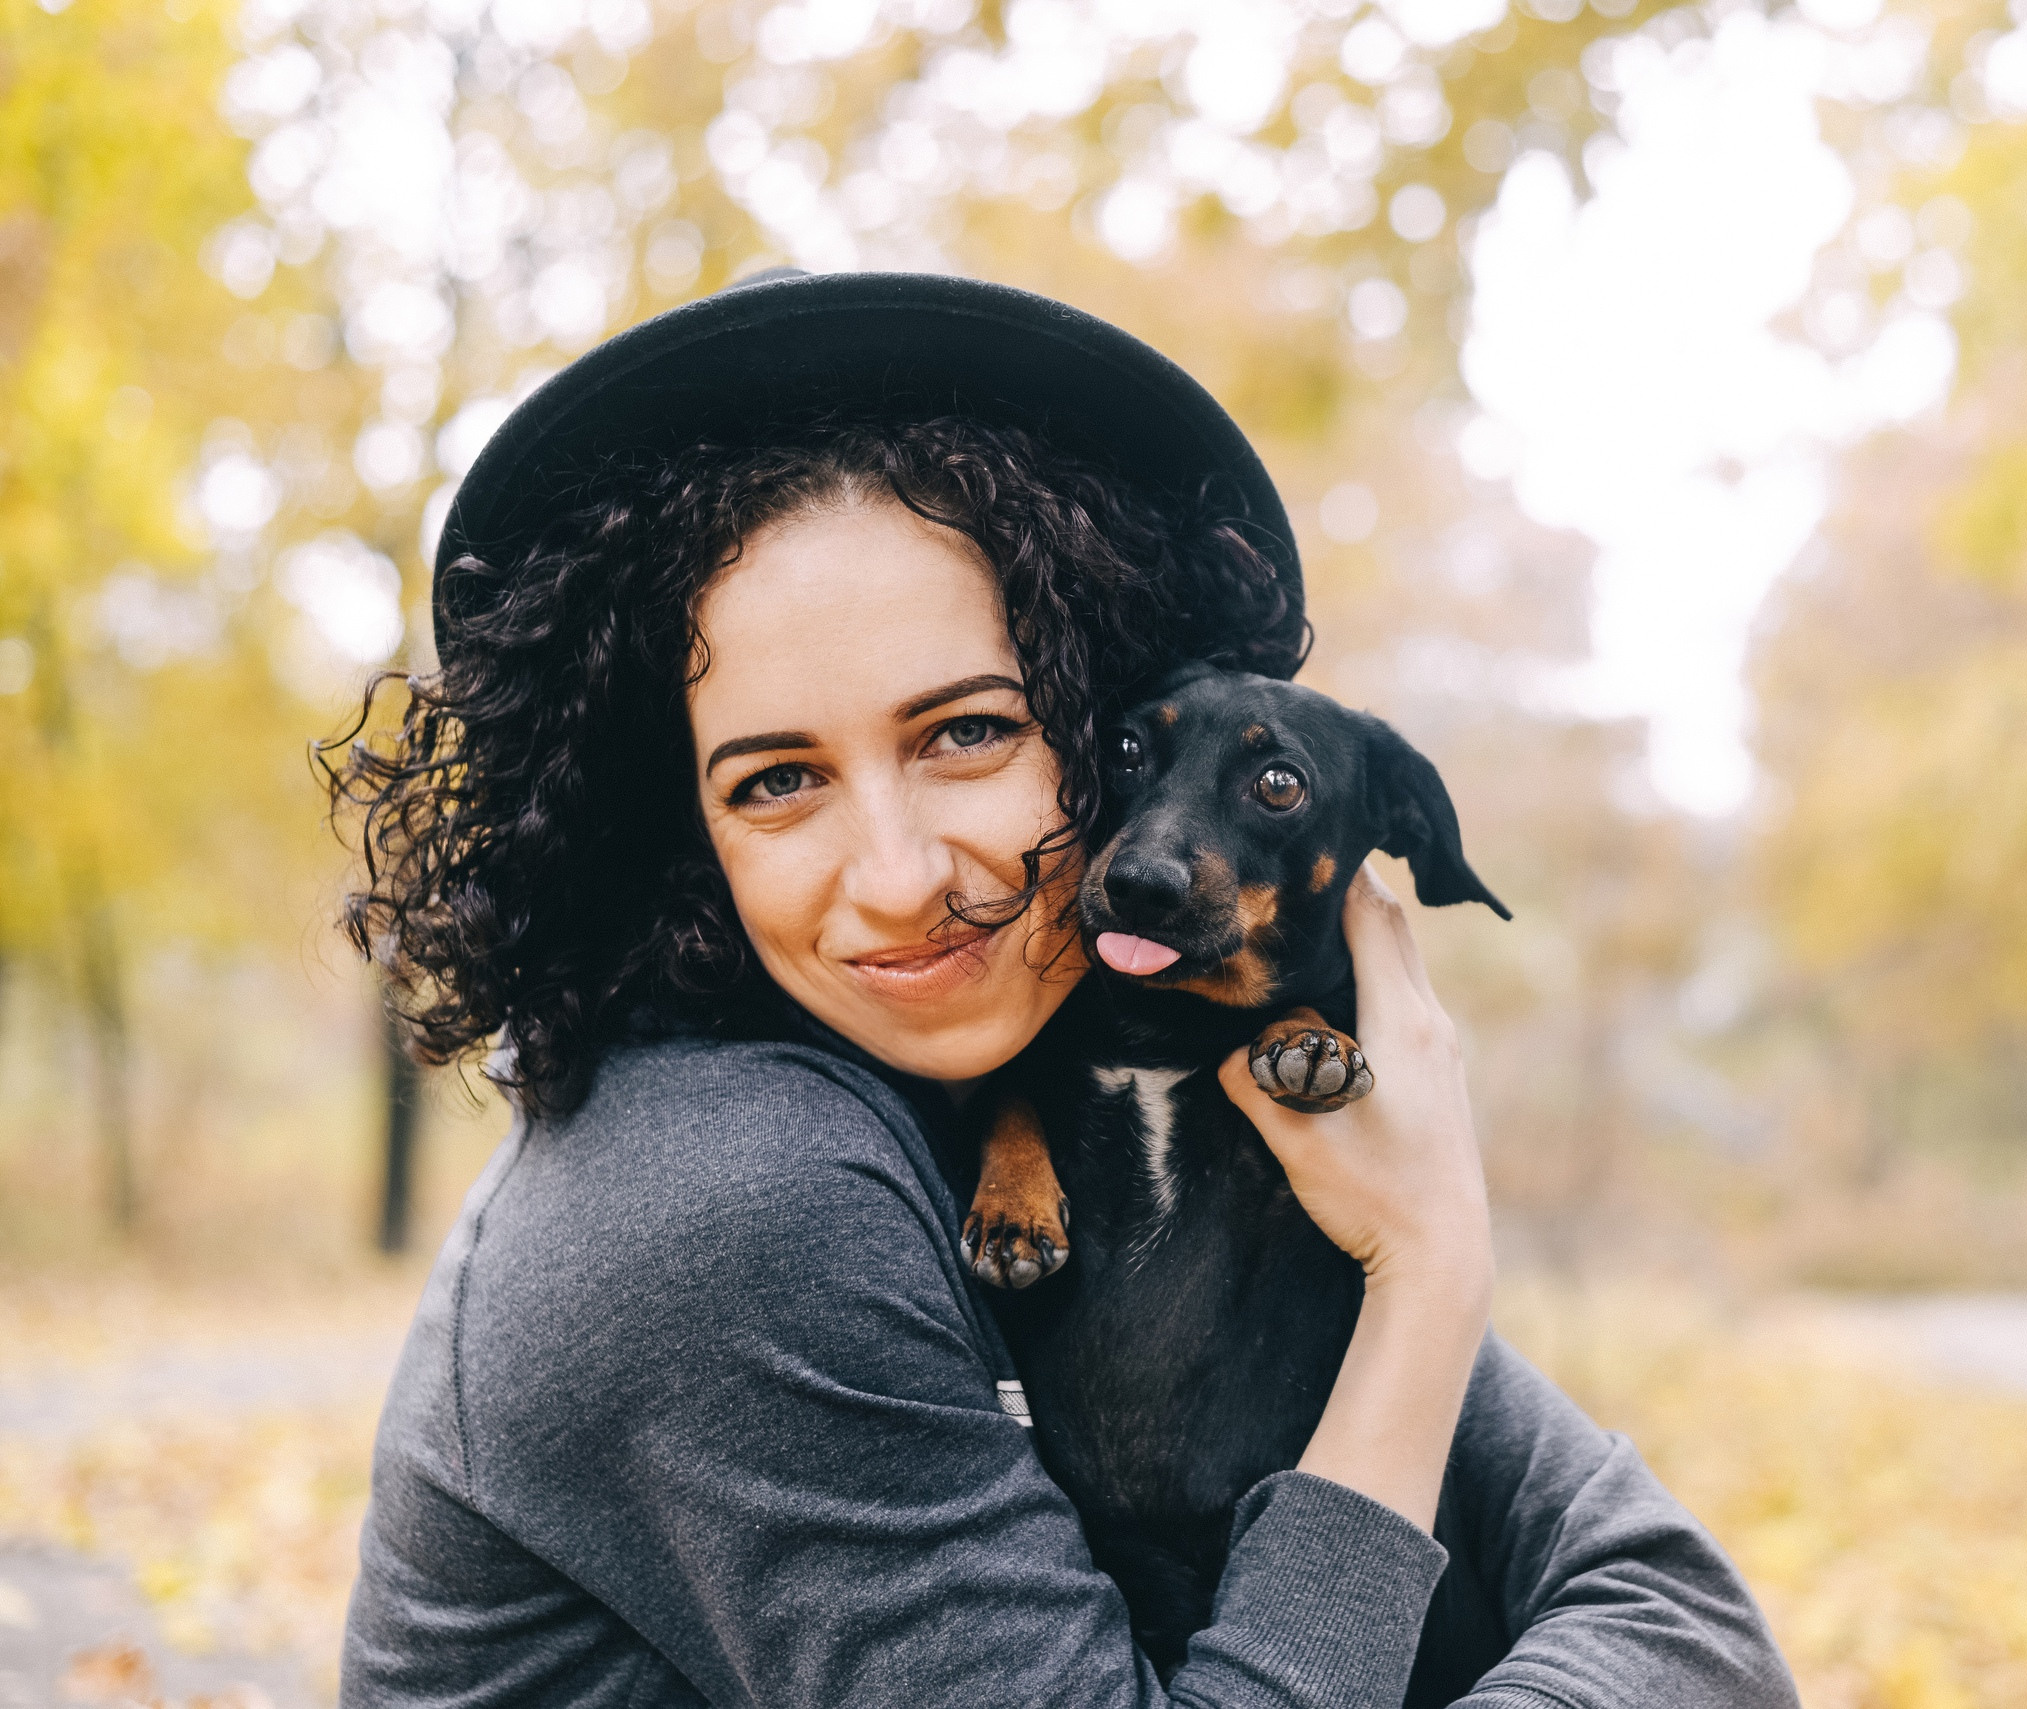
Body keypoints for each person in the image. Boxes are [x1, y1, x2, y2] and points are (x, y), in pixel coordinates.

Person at [330, 270, 1796, 1708]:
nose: (898, 876)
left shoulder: (1045, 1091)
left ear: (1102, 734)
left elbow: (1696, 1629)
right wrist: (1429, 1277)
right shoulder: (725, 1188)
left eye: (967, 733)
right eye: (777, 780)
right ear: (682, 833)